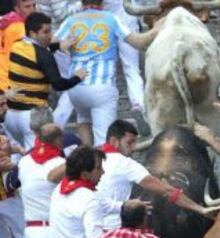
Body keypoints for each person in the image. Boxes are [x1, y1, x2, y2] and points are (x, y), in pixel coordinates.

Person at [54, 0, 161, 145]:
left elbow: (49, 42)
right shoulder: (111, 19)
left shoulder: (71, 20)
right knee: (103, 143)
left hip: (76, 89)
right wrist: (157, 29)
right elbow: (140, 42)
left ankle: (86, 154)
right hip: (101, 88)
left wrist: (60, 45)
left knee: (84, 119)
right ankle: (101, 160)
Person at [97, 119, 220, 230]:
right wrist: (201, 209)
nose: (133, 148)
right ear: (114, 141)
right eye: (129, 143)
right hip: (115, 228)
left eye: (135, 143)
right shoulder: (124, 164)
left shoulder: (94, 159)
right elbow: (168, 192)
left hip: (90, 226)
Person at [4, 12, 87, 151]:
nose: (50, 35)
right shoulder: (45, 56)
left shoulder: (17, 45)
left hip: (11, 117)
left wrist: (58, 45)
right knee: (40, 158)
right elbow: (58, 84)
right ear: (33, 33)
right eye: (46, 32)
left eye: (50, 30)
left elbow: (36, 51)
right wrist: (77, 77)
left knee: (19, 158)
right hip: (32, 118)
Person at [18, 123, 66, 238]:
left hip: (31, 230)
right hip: (53, 230)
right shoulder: (60, 163)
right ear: (58, 140)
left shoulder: (23, 162)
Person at [0, 90, 25, 238]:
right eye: (1, 105)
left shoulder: (3, 129)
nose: (5, 109)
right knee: (30, 236)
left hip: (7, 195)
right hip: (7, 197)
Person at [0, 0, 36, 91]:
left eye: (34, 5)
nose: (32, 10)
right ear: (17, 8)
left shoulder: (8, 19)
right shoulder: (19, 28)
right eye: (27, 7)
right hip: (10, 83)